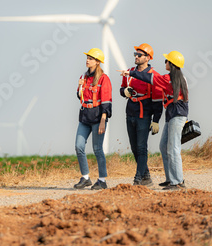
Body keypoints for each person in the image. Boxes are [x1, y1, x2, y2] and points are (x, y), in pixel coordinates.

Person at [119, 51, 188, 190]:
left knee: (173, 148)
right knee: (164, 146)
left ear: (172, 64)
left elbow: (149, 78)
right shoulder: (174, 78)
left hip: (177, 115)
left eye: (167, 61)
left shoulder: (169, 79)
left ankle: (178, 182)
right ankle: (170, 179)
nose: (165, 63)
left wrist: (130, 73)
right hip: (171, 114)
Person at [120, 43, 163, 186]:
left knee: (141, 147)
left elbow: (157, 100)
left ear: (148, 58)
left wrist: (156, 120)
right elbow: (122, 89)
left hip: (144, 114)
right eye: (135, 54)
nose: (136, 57)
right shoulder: (129, 72)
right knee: (134, 147)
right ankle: (146, 177)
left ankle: (138, 179)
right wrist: (124, 92)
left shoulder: (154, 76)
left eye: (139, 55)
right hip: (130, 112)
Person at [74, 48, 112, 190]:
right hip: (85, 116)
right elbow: (80, 96)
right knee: (79, 146)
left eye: (90, 58)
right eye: (87, 58)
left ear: (97, 62)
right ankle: (85, 178)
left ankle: (102, 180)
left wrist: (103, 120)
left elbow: (106, 101)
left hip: (97, 117)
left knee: (97, 149)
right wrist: (79, 87)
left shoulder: (103, 78)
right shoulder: (83, 77)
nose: (87, 60)